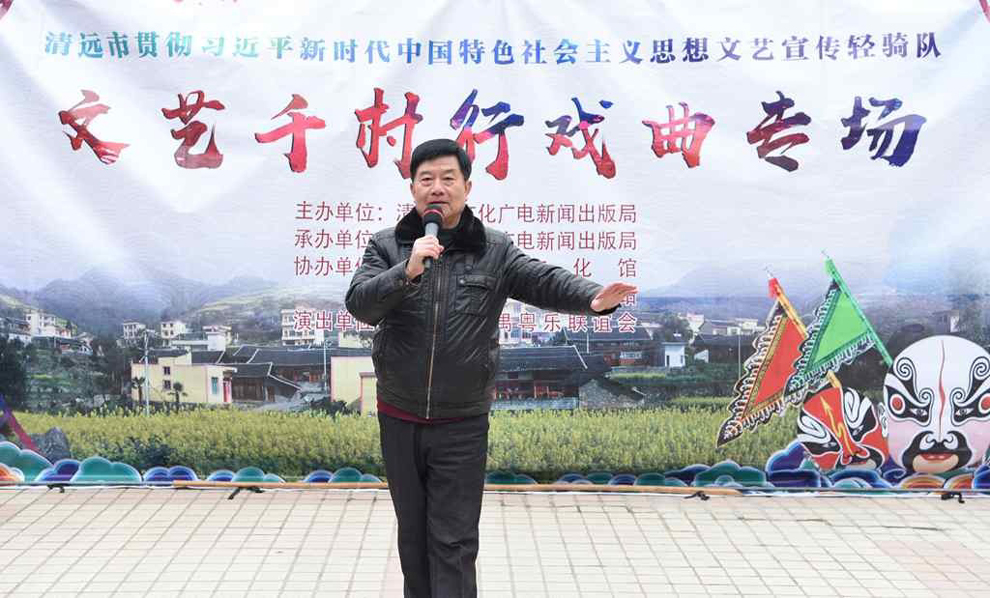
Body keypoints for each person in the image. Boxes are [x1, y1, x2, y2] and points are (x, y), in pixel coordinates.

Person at [345, 138, 637, 598]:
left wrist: (592, 299)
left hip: (461, 422)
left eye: (448, 178)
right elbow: (361, 305)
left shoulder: (494, 250)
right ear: (413, 189)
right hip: (399, 416)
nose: (437, 188)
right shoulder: (387, 246)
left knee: (454, 540)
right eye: (426, 179)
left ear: (467, 187)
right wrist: (407, 270)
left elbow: (542, 279)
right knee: (413, 539)